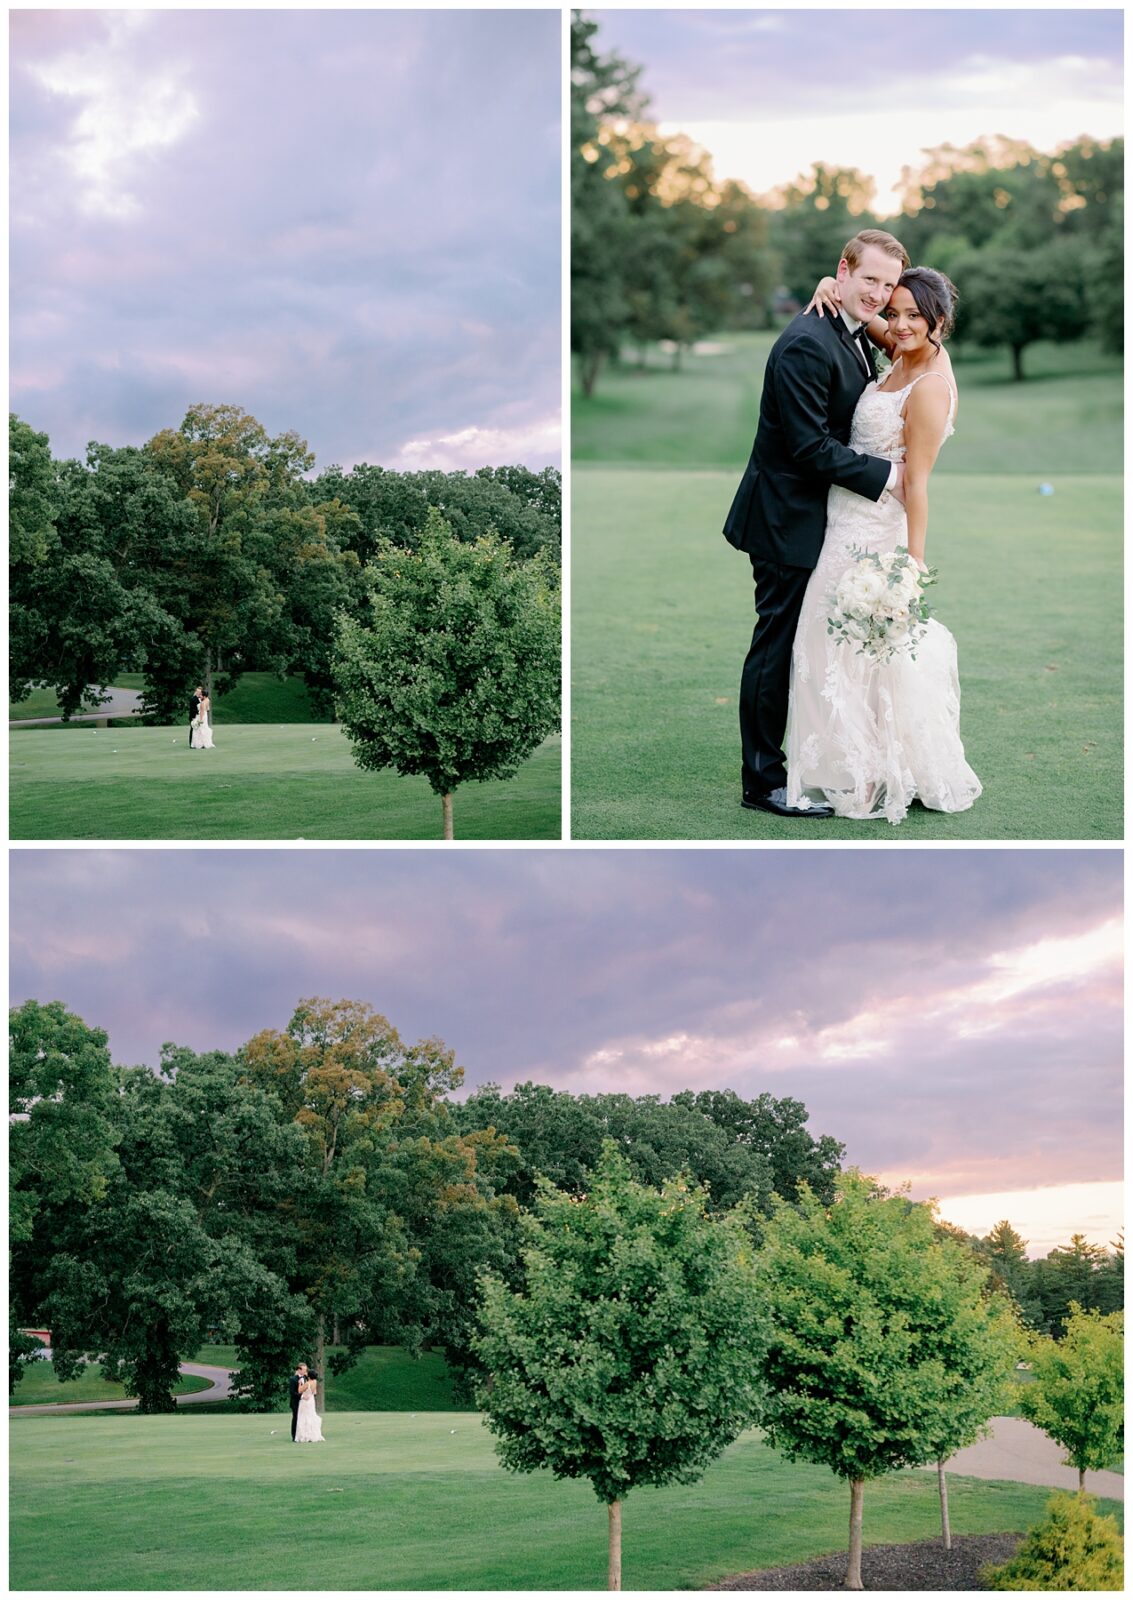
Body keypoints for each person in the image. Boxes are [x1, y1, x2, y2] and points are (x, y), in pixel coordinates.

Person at [784, 265, 981, 824]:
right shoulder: (899, 346)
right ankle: (864, 764)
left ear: (939, 320)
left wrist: (913, 567)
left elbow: (916, 484)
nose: (898, 324)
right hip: (842, 522)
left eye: (914, 315)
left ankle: (875, 774)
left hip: (875, 534)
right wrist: (827, 284)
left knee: (860, 652)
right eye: (894, 313)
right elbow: (862, 313)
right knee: (838, 650)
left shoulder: (930, 386)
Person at [724, 229, 910, 819]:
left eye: (887, 283)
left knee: (803, 644)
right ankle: (762, 783)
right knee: (774, 647)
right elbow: (808, 447)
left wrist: (841, 290)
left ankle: (829, 757)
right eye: (869, 279)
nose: (879, 293)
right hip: (785, 520)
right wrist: (890, 478)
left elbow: (909, 342)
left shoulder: (849, 327)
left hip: (819, 519)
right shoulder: (808, 340)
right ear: (844, 269)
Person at [294, 1367, 324, 1444]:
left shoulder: (307, 1383)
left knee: (303, 1417)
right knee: (311, 1416)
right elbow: (314, 1392)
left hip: (305, 1401)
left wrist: (300, 1383)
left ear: (309, 1376)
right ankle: (312, 1434)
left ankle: (304, 1435)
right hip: (311, 1400)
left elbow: (300, 1390)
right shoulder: (315, 1381)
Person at [288, 1362, 307, 1442]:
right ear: (299, 1370)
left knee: (304, 1419)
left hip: (304, 1403)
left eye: (306, 1370)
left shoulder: (306, 1378)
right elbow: (292, 1392)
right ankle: (294, 1435)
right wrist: (301, 1396)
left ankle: (302, 1435)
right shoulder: (293, 1379)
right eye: (304, 1370)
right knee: (296, 1418)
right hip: (295, 1402)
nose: (305, 1371)